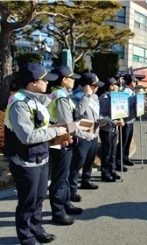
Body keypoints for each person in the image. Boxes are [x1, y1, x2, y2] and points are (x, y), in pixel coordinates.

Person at [4, 63, 68, 245]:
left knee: (39, 198)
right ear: (32, 83)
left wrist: (58, 130)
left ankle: (37, 228)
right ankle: (26, 236)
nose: (48, 84)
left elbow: (43, 128)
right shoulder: (19, 104)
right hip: (25, 162)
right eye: (44, 80)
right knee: (27, 202)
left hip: (40, 158)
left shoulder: (34, 100)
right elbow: (28, 136)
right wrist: (57, 132)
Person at [47, 66, 83, 226]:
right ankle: (58, 211)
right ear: (64, 79)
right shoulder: (60, 97)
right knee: (60, 178)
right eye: (71, 77)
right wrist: (88, 128)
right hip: (61, 140)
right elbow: (68, 124)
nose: (74, 80)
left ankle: (66, 203)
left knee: (64, 175)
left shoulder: (61, 94)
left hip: (63, 139)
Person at [69, 73, 105, 202]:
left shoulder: (95, 97)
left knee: (89, 160)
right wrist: (86, 96)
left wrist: (100, 121)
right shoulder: (74, 97)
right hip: (81, 135)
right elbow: (77, 115)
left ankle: (86, 180)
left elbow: (95, 115)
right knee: (77, 164)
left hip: (93, 133)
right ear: (86, 86)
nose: (97, 89)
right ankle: (72, 189)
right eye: (94, 86)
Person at [99, 77, 125, 182]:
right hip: (107, 129)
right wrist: (115, 122)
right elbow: (102, 116)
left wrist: (121, 117)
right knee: (107, 153)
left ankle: (112, 170)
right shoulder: (104, 98)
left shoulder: (116, 97)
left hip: (114, 130)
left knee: (113, 152)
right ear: (111, 86)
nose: (118, 86)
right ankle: (105, 173)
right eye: (116, 84)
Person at [116, 74, 137, 169]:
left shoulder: (132, 91)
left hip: (131, 121)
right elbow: (125, 105)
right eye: (134, 81)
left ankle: (125, 157)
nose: (135, 82)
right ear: (130, 82)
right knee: (123, 142)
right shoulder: (125, 92)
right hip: (125, 121)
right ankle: (119, 161)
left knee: (128, 141)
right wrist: (135, 98)